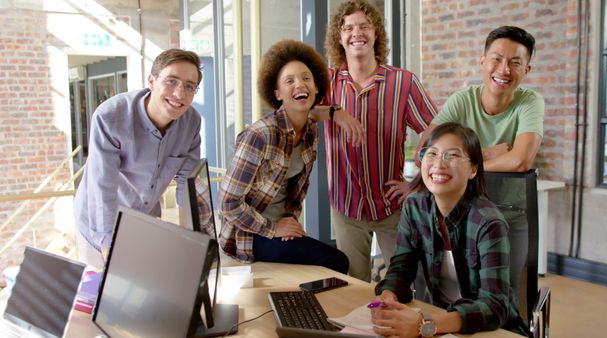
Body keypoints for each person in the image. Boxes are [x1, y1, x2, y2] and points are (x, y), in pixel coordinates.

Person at [413, 26, 543, 295]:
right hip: (463, 217)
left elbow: (521, 161)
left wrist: (464, 160)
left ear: (526, 70)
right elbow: (424, 153)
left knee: (504, 299)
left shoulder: (530, 102)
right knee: (450, 292)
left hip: (511, 216)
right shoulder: (463, 100)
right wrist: (488, 153)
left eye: (515, 62)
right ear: (482, 61)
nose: (504, 69)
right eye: (496, 58)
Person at [371, 122, 528, 337]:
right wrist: (388, 295)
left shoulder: (489, 223)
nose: (439, 164)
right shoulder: (415, 207)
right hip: (439, 320)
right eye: (431, 154)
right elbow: (401, 267)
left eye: (452, 156)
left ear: (473, 169)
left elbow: (495, 306)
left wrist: (426, 324)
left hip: (488, 329)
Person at [322, 0, 438, 282]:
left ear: (376, 34)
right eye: (348, 27)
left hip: (391, 206)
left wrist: (417, 182)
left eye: (364, 25)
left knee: (408, 283)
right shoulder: (327, 82)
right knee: (353, 286)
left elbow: (436, 132)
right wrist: (334, 112)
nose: (356, 33)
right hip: (346, 206)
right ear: (339, 38)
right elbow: (299, 112)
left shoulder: (403, 82)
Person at [217, 39, 349, 274]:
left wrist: (334, 112)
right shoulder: (260, 135)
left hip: (281, 226)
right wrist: (274, 228)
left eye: (306, 78)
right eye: (289, 80)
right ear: (277, 92)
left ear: (317, 86)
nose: (300, 84)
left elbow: (293, 192)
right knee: (336, 260)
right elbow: (228, 204)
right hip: (249, 234)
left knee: (327, 256)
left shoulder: (308, 130)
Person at [74, 49, 203, 268]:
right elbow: (102, 185)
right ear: (152, 81)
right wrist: (108, 247)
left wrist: (189, 240)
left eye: (189, 86)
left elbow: (187, 184)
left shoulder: (191, 121)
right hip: (98, 224)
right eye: (171, 81)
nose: (179, 94)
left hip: (145, 220)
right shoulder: (111, 117)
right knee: (104, 293)